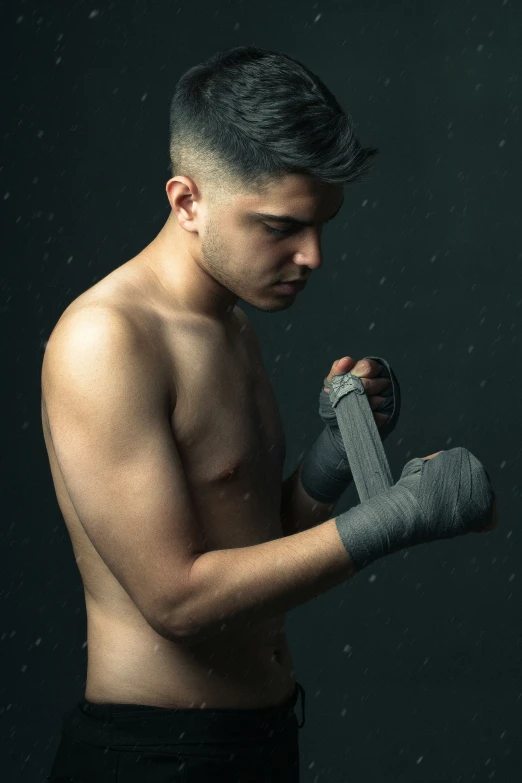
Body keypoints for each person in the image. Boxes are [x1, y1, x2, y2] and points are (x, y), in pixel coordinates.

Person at [42, 45, 496, 782]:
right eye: (281, 227)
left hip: (261, 742)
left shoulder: (229, 321)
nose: (312, 255)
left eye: (321, 225)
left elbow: (254, 548)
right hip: (154, 760)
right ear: (188, 201)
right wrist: (398, 516)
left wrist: (330, 464)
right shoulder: (106, 339)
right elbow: (179, 599)